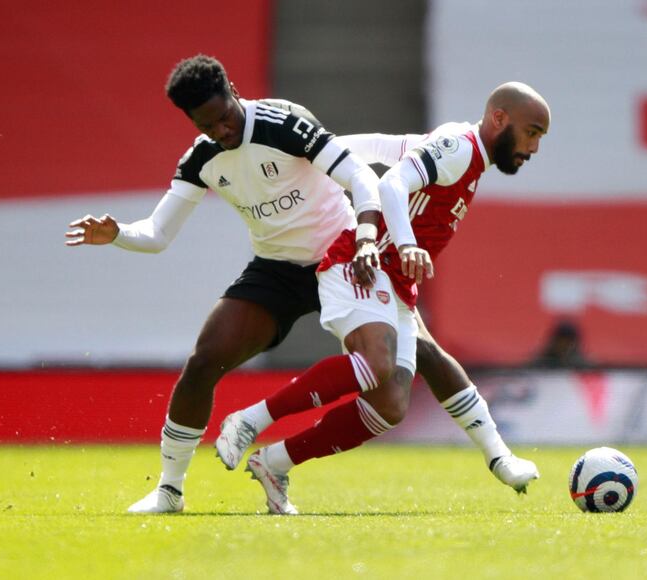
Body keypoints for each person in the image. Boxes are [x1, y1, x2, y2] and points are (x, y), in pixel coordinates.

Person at [65, 54, 535, 513]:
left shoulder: (284, 122)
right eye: (207, 126)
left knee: (402, 383)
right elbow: (158, 234)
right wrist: (119, 235)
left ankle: (492, 456)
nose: (222, 132)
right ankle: (169, 490)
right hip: (277, 269)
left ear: (233, 92)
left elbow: (357, 172)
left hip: (346, 252)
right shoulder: (202, 159)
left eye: (225, 118)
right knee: (205, 358)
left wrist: (368, 235)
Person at [218, 82, 551, 514]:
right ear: (500, 119)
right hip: (361, 262)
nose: (535, 147)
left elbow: (382, 146)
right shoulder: (460, 149)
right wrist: (408, 243)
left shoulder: (462, 151)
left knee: (390, 406)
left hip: (391, 281)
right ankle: (250, 419)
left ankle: (274, 461)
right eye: (532, 132)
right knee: (379, 364)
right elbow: (393, 183)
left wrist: (321, 152)